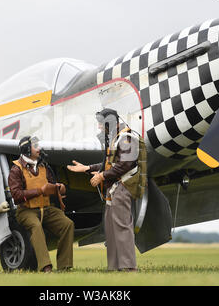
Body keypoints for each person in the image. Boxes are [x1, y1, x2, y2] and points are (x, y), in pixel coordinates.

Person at [68, 108, 145, 272]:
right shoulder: (117, 138)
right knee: (110, 229)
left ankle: (129, 267)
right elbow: (109, 164)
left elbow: (126, 164)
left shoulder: (126, 138)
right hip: (114, 189)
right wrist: (87, 168)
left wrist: (102, 176)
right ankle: (114, 267)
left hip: (122, 187)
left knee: (122, 227)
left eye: (102, 124)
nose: (99, 128)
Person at [8, 136, 74, 272]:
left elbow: (52, 184)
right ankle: (46, 267)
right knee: (36, 226)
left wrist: (59, 188)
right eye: (35, 146)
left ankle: (65, 267)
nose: (39, 148)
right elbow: (16, 196)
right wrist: (39, 191)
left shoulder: (44, 166)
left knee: (68, 224)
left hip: (47, 209)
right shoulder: (16, 169)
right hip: (26, 211)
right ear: (26, 149)